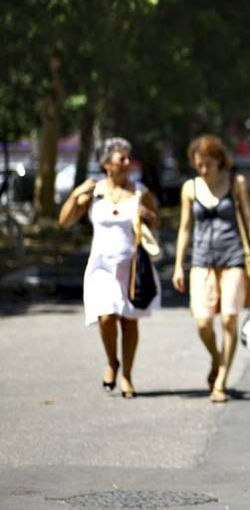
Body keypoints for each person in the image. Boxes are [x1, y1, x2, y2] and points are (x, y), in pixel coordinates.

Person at [58, 137, 160, 399]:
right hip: (101, 266)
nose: (127, 163)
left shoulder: (140, 191)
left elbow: (156, 220)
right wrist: (75, 193)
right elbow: (65, 221)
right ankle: (112, 361)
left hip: (131, 266)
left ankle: (126, 375)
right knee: (106, 317)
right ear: (106, 164)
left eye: (128, 158)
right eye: (121, 159)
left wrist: (147, 216)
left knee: (129, 321)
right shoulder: (95, 191)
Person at [172, 135, 250, 403]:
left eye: (208, 164)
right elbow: (185, 228)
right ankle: (217, 359)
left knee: (229, 318)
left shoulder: (236, 183)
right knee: (203, 322)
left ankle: (221, 381)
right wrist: (178, 265)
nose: (203, 170)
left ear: (219, 161)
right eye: (199, 165)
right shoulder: (190, 189)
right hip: (202, 260)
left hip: (233, 257)